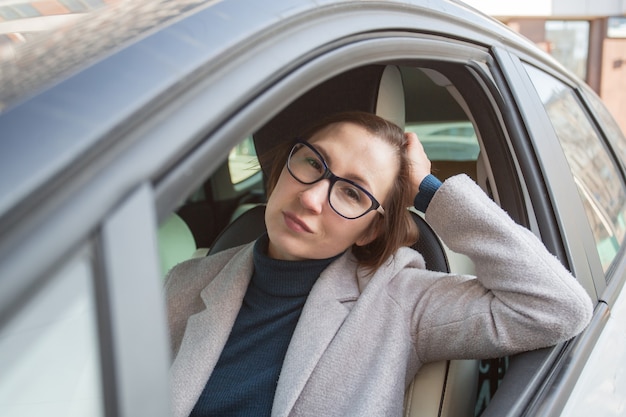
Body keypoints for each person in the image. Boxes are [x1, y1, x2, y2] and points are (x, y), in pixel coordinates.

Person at [166, 111, 593, 417]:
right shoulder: (185, 282)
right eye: (313, 163)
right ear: (283, 167)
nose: (312, 198)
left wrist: (428, 192)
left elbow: (556, 307)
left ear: (369, 231)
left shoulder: (401, 301)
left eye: (352, 193)